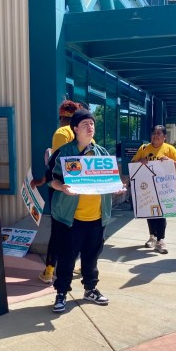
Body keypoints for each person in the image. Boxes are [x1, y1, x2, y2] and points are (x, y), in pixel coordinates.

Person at [49, 108, 121, 312]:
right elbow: (51, 179)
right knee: (66, 258)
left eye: (92, 123)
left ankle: (90, 289)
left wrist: (117, 188)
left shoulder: (102, 154)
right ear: (75, 129)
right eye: (85, 124)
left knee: (91, 257)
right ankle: (61, 292)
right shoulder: (65, 153)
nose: (90, 127)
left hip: (97, 218)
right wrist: (61, 187)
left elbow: (109, 182)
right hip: (71, 218)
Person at [34, 100, 82, 284]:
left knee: (58, 229)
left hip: (61, 187)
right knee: (77, 227)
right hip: (80, 189)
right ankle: (74, 264)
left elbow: (56, 164)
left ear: (61, 116)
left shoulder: (61, 133)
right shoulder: (86, 135)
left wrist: (41, 180)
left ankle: (49, 270)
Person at [131, 124, 176, 254]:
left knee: (161, 213)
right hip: (148, 187)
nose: (156, 135)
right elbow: (132, 165)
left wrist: (169, 161)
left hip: (163, 186)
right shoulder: (144, 148)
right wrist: (140, 161)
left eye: (159, 133)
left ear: (165, 137)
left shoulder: (169, 149)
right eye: (154, 132)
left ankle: (161, 240)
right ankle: (152, 237)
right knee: (150, 213)